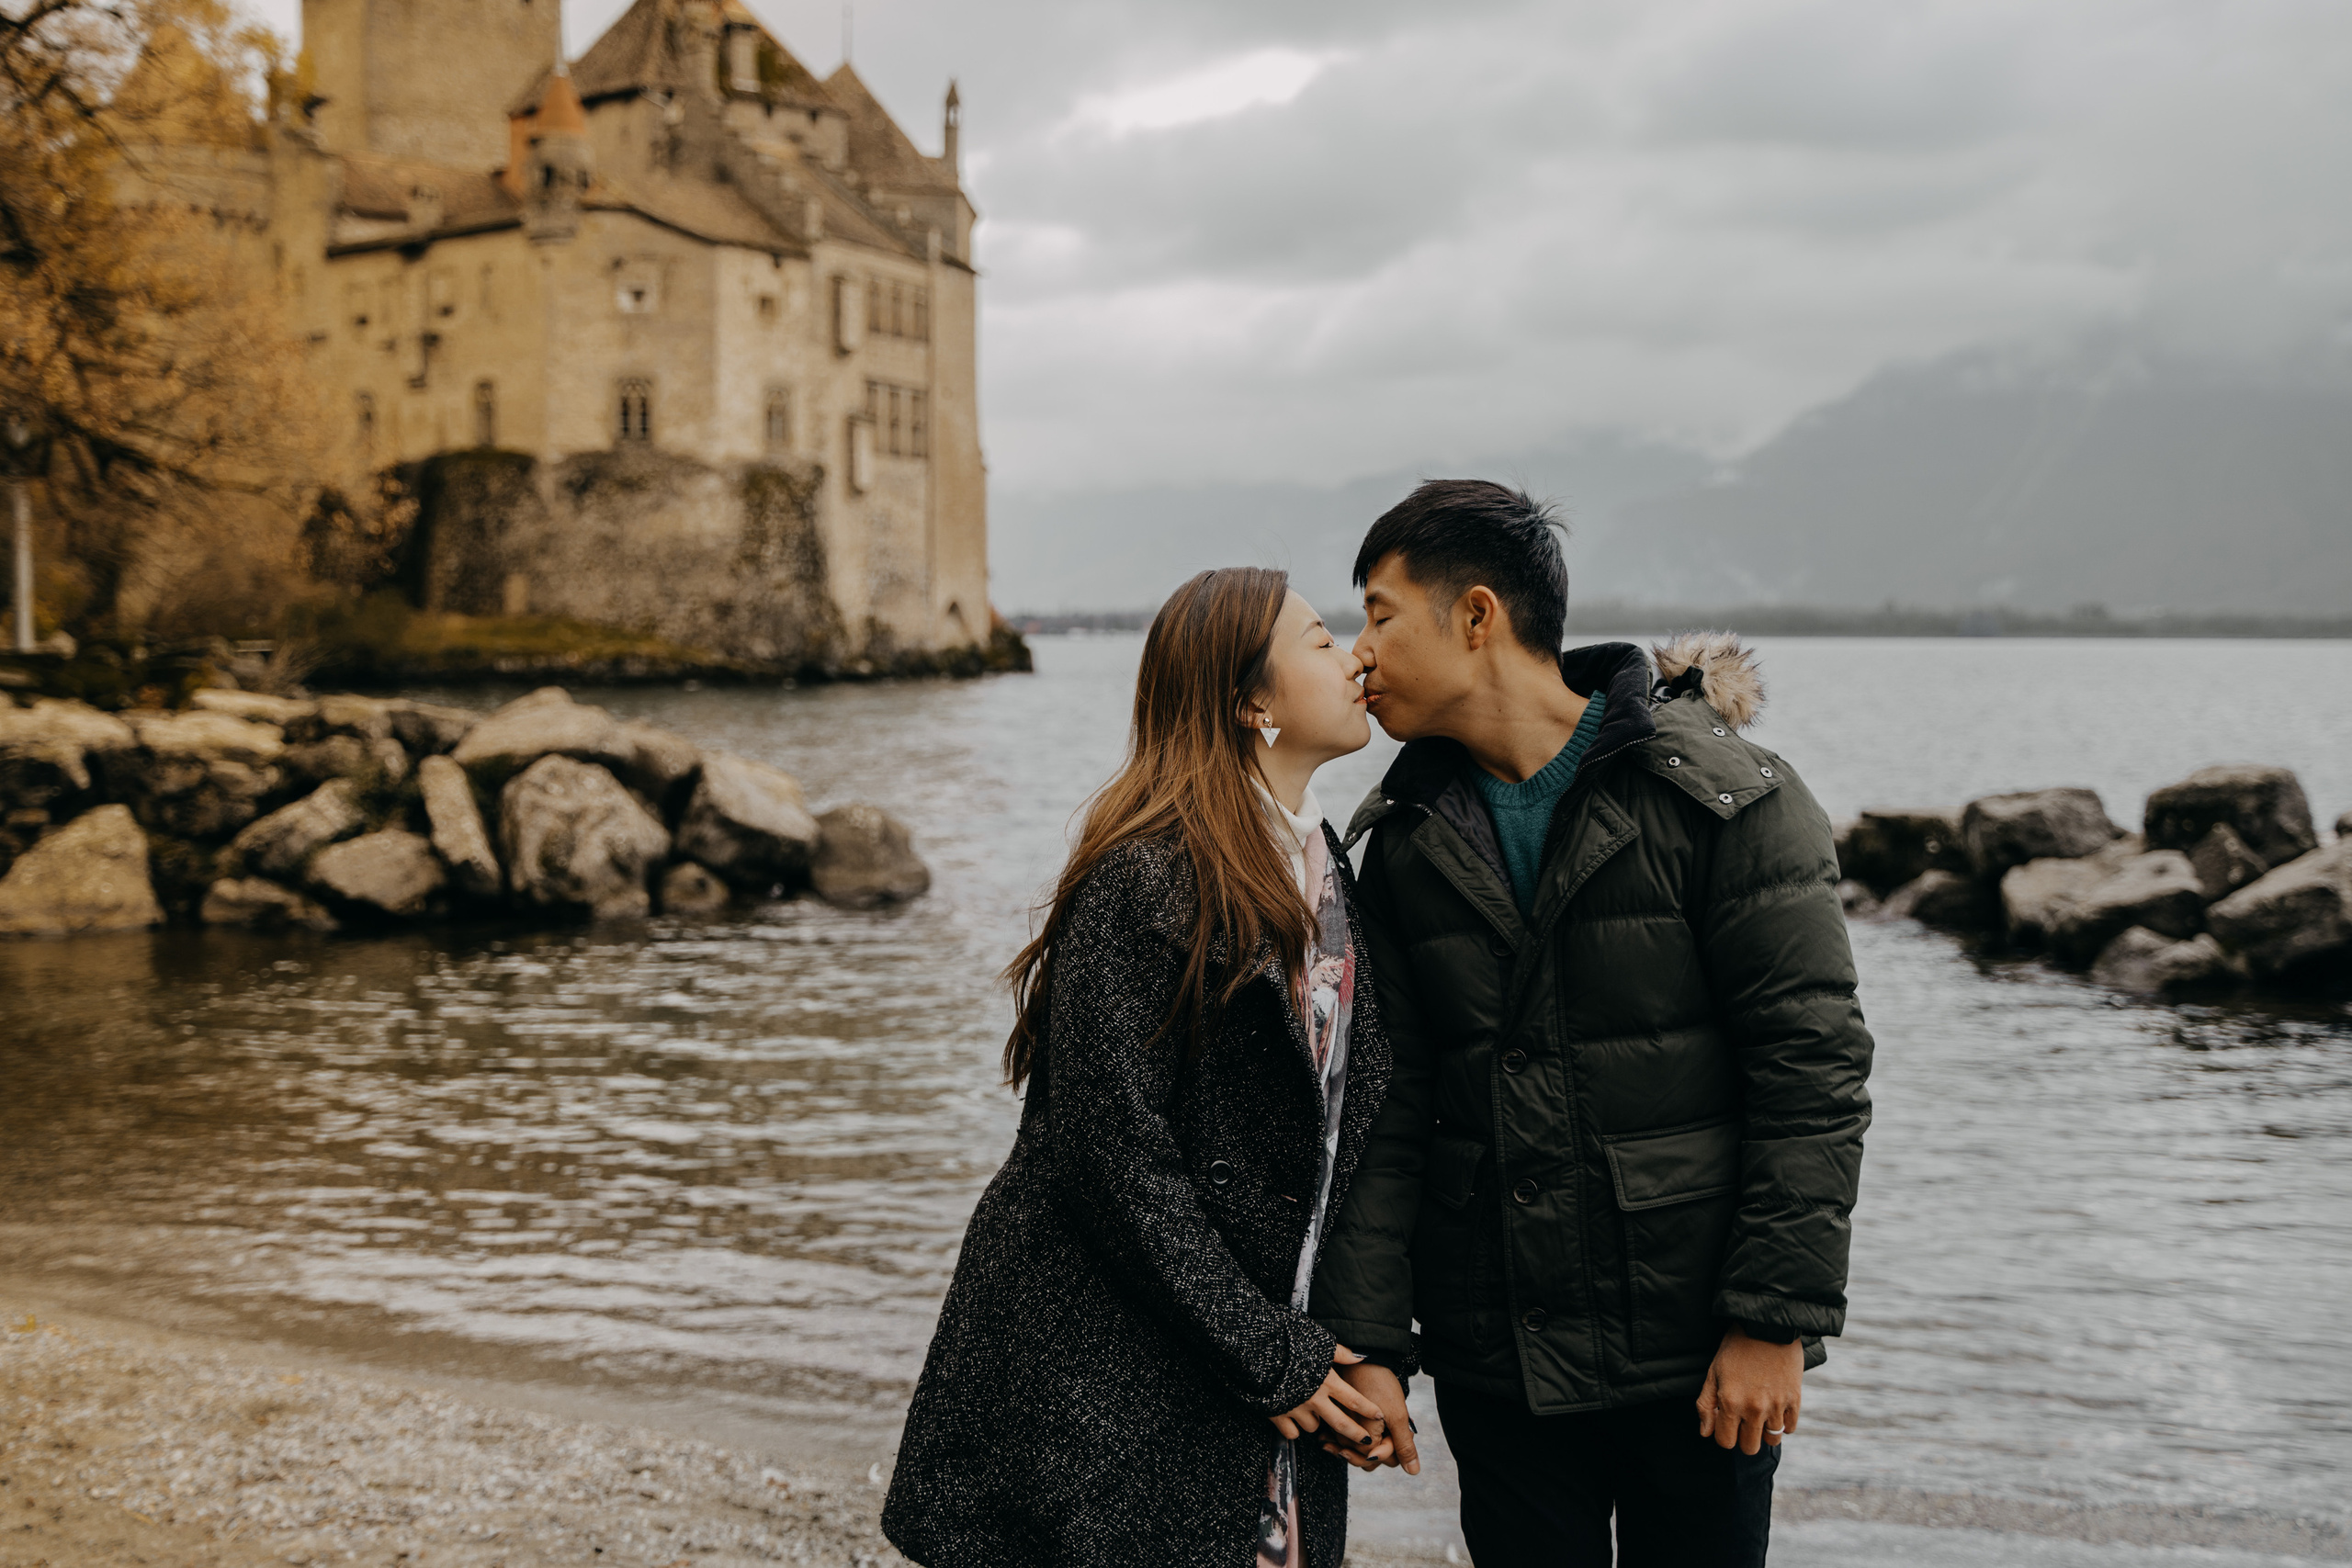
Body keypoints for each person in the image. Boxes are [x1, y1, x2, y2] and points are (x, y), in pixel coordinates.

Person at [1307, 481, 1874, 1567]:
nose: (1359, 651)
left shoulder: (1725, 800)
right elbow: (1389, 1110)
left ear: (1477, 616)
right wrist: (1369, 1341)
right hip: (1498, 1361)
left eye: (1379, 613)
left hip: (1694, 1350)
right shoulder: (1403, 842)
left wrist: (1771, 1320)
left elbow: (1812, 1071)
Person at [883, 566, 1402, 1568]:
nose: (1355, 659)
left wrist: (1366, 1352)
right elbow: (1111, 1155)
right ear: (1250, 701)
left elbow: (1342, 1138)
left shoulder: (1323, 867)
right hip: (1105, 1379)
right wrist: (1270, 1355)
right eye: (1321, 640)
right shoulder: (1147, 873)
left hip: (1237, 1365)